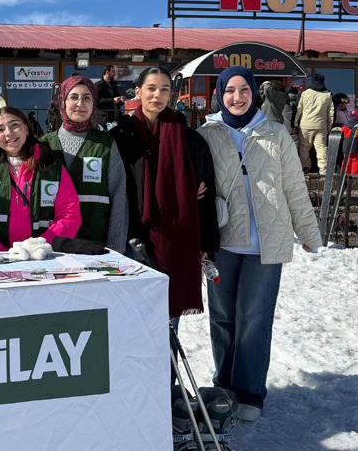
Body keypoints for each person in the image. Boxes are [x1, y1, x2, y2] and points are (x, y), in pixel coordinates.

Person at [197, 66, 322, 422]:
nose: (237, 97)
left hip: (267, 243)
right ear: (219, 94)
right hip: (222, 242)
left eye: (244, 90)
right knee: (223, 318)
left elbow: (294, 187)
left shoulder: (276, 132)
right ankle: (224, 385)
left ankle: (249, 392)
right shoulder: (207, 133)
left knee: (254, 318)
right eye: (230, 91)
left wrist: (309, 233)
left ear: (255, 92)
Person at [112, 66, 219, 321]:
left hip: (176, 241)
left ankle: (168, 363)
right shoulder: (120, 136)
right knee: (131, 320)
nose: (156, 95)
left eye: (164, 89)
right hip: (131, 239)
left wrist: (207, 245)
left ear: (171, 94)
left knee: (168, 321)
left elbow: (207, 195)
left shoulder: (189, 140)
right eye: (150, 88)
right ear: (137, 91)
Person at [0, 107, 81, 251]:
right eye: (0, 129)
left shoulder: (51, 166)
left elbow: (69, 214)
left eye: (14, 125)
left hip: (43, 260)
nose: (8, 132)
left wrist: (40, 248)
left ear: (26, 128)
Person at [40, 75, 128, 252]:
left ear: (94, 103)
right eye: (73, 97)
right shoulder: (44, 144)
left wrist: (116, 245)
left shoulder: (105, 143)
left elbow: (119, 197)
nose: (80, 103)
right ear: (63, 101)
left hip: (95, 243)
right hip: (50, 244)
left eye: (87, 98)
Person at [295, 74, 334, 174]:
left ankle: (305, 167)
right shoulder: (328, 94)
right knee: (321, 147)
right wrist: (329, 127)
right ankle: (323, 168)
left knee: (304, 147)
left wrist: (295, 123)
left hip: (305, 124)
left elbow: (299, 109)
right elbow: (331, 113)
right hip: (321, 125)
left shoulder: (305, 93)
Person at [95, 65, 126, 129]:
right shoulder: (98, 85)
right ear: (107, 73)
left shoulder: (114, 85)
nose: (114, 74)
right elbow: (97, 101)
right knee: (105, 138)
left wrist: (121, 100)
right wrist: (113, 100)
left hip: (116, 120)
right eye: (113, 72)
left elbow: (117, 100)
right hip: (104, 121)